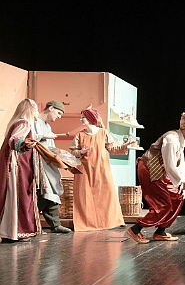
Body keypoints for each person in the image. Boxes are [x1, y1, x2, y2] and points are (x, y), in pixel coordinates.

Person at [126, 112, 185, 243]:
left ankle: (161, 231)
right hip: (150, 169)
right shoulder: (172, 139)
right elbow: (169, 164)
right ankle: (136, 229)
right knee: (163, 204)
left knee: (177, 197)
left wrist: (181, 183)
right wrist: (181, 181)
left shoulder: (181, 139)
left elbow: (179, 162)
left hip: (160, 171)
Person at [69, 108, 131, 231]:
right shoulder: (80, 135)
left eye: (84, 118)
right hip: (84, 171)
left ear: (91, 119)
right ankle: (87, 223)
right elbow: (73, 152)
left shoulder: (103, 133)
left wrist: (124, 146)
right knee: (84, 197)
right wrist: (81, 151)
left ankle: (112, 220)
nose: (81, 119)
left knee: (107, 195)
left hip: (101, 169)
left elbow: (113, 148)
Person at [0, 99, 42, 242]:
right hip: (17, 167)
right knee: (19, 197)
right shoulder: (24, 123)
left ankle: (10, 231)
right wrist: (23, 144)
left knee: (14, 196)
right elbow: (14, 139)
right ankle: (16, 231)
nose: (38, 113)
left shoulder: (17, 122)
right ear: (31, 110)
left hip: (17, 165)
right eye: (36, 110)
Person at [33, 100, 72, 233]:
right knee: (40, 193)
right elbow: (28, 139)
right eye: (59, 113)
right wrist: (42, 136)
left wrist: (61, 157)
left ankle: (55, 225)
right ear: (50, 108)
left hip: (47, 164)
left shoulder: (48, 127)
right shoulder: (34, 121)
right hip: (36, 163)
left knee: (51, 190)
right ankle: (32, 224)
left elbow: (51, 148)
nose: (59, 116)